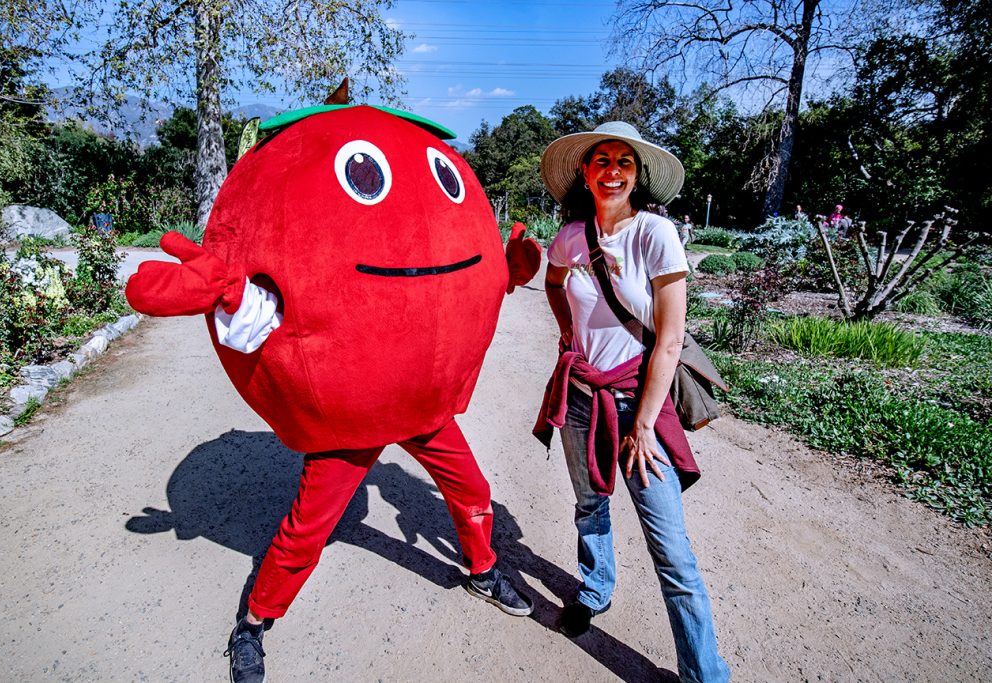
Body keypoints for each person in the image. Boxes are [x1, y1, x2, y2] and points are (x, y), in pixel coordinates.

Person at [125, 101, 539, 683]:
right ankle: (253, 622)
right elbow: (266, 313)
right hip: (346, 423)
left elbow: (464, 287)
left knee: (473, 490)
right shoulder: (288, 186)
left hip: (424, 409)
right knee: (306, 532)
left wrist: (504, 273)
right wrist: (227, 294)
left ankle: (481, 568)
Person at [534, 121, 729, 683]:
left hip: (637, 400)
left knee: (671, 550)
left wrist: (643, 425)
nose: (612, 170)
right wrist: (568, 333)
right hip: (580, 393)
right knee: (590, 503)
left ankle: (704, 674)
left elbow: (668, 339)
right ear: (585, 174)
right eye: (602, 161)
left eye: (624, 161)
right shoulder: (571, 235)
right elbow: (553, 284)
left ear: (637, 175)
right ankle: (595, 589)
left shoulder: (656, 234)